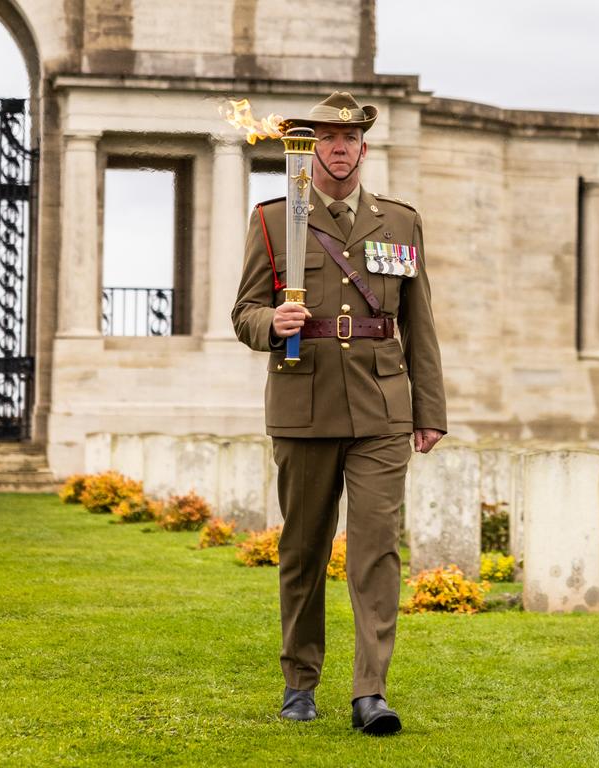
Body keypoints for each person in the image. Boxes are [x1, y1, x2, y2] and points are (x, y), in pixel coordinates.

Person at [231, 91, 447, 735]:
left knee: (375, 550)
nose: (339, 146)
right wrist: (275, 321)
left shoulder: (400, 222)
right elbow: (243, 313)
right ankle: (300, 681)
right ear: (312, 147)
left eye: (349, 137)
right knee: (302, 549)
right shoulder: (274, 220)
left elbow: (419, 323)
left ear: (364, 146)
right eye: (327, 137)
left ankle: (370, 692)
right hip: (304, 402)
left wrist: (428, 410)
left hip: (382, 406)